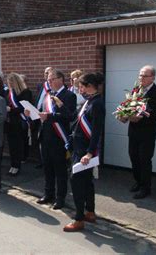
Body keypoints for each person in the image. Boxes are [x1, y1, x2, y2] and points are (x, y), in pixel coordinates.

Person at [26, 69, 76, 210]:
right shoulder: (48, 95)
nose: (49, 81)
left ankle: (60, 198)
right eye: (48, 79)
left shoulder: (69, 95)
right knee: (47, 168)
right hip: (45, 136)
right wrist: (31, 114)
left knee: (60, 170)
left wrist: (49, 116)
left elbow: (70, 116)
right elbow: (41, 114)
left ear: (61, 79)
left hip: (59, 138)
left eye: (52, 79)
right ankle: (48, 194)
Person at [64, 73, 105, 232]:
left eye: (81, 86)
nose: (79, 89)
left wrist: (89, 153)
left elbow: (96, 131)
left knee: (77, 182)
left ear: (89, 86)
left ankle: (79, 218)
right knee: (87, 181)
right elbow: (74, 120)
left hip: (85, 151)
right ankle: (90, 212)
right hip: (79, 147)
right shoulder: (89, 101)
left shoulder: (97, 104)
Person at [119, 65, 156, 199]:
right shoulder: (135, 90)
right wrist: (124, 115)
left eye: (145, 75)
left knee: (144, 159)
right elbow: (127, 107)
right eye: (140, 75)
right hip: (133, 131)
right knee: (133, 157)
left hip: (147, 133)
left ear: (153, 77)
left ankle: (146, 187)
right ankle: (138, 182)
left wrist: (141, 118)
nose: (141, 78)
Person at [6, 72, 33, 176]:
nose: (10, 84)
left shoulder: (25, 92)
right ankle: (12, 165)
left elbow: (25, 108)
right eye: (9, 82)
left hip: (20, 121)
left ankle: (17, 166)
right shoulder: (8, 93)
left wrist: (11, 109)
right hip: (10, 123)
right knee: (11, 146)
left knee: (18, 146)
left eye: (11, 82)